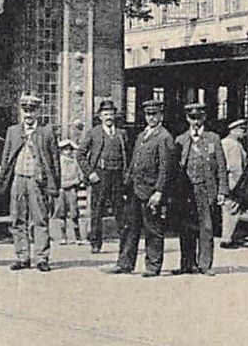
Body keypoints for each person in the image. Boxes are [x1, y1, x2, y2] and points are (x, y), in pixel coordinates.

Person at [114, 98, 177, 278]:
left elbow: (166, 168)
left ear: (161, 116)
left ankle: (153, 265)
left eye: (154, 114)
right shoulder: (142, 136)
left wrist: (159, 191)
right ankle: (125, 263)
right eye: (148, 114)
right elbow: (134, 162)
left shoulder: (164, 137)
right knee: (130, 227)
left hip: (151, 191)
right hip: (135, 189)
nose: (151, 118)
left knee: (153, 228)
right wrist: (126, 184)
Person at [0, 94, 61, 272]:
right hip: (18, 179)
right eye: (25, 110)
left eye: (32, 110)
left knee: (40, 219)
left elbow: (54, 160)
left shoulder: (46, 132)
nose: (28, 114)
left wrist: (54, 185)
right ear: (20, 111)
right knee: (18, 219)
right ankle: (22, 257)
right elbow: (6, 158)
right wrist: (4, 181)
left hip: (37, 181)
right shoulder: (13, 131)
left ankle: (41, 258)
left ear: (38, 112)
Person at [176, 102, 228, 275]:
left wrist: (222, 191)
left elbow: (221, 166)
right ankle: (187, 264)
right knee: (186, 227)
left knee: (206, 227)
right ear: (187, 119)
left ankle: (205, 265)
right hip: (186, 192)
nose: (196, 122)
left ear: (204, 118)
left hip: (206, 190)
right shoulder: (181, 140)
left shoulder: (213, 139)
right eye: (192, 118)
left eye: (199, 118)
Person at [78, 99, 128, 254]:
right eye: (105, 114)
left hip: (117, 175)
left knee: (120, 210)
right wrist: (90, 173)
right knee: (97, 210)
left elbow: (128, 155)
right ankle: (95, 242)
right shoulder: (93, 133)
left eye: (111, 113)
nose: (108, 117)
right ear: (100, 116)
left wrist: (126, 174)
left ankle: (124, 242)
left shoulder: (121, 133)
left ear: (115, 115)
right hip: (100, 175)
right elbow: (80, 154)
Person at [219, 118, 248, 248]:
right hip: (232, 182)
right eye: (242, 130)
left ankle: (226, 236)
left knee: (225, 209)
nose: (244, 133)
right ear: (234, 131)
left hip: (223, 181)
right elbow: (236, 168)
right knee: (232, 210)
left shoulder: (223, 142)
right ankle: (227, 239)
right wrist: (240, 186)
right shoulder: (235, 145)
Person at [54, 133, 84, 245]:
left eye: (70, 149)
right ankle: (63, 237)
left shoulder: (75, 162)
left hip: (72, 188)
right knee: (61, 213)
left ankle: (78, 237)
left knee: (74, 213)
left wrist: (77, 181)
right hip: (61, 188)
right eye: (65, 149)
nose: (68, 151)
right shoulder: (59, 162)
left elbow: (80, 174)